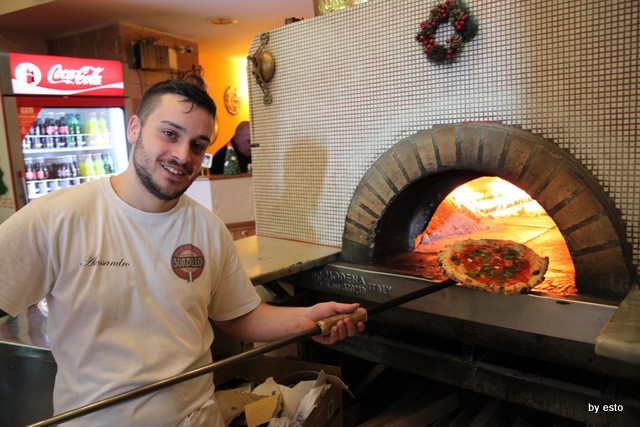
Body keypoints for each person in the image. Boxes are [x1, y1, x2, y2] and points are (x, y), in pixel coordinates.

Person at [0, 80, 364, 427]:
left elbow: (239, 316)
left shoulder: (207, 228)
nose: (182, 155)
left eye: (197, 145)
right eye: (170, 134)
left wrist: (306, 320)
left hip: (196, 418)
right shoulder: (58, 217)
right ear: (134, 128)